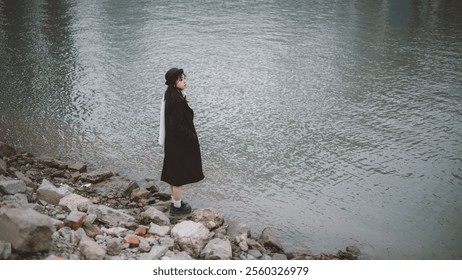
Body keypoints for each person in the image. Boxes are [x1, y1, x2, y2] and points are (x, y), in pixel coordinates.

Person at [158, 67, 204, 216]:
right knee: (177, 177)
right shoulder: (177, 101)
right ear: (173, 83)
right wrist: (191, 135)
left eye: (184, 78)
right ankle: (177, 208)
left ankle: (175, 202)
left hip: (173, 143)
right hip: (178, 143)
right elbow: (175, 125)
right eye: (181, 79)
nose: (184, 81)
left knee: (173, 174)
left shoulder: (171, 96)